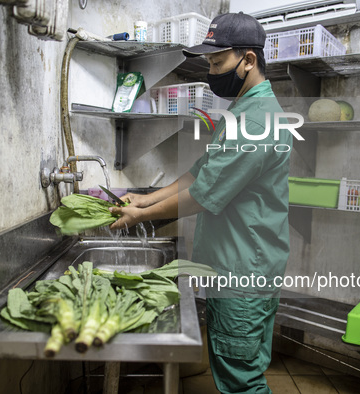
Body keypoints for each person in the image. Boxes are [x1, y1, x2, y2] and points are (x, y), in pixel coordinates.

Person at [109, 12, 292, 394]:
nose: (211, 71)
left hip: (244, 268)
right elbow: (198, 174)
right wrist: (144, 198)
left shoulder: (256, 121)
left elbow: (202, 196)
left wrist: (138, 215)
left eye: (217, 62)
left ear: (249, 60)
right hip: (239, 260)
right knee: (238, 369)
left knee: (241, 381)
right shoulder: (243, 111)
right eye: (208, 62)